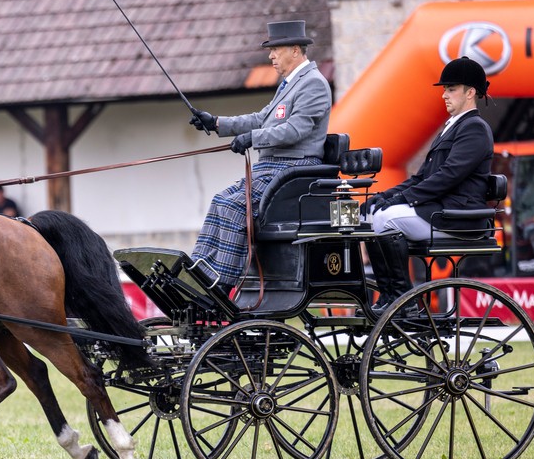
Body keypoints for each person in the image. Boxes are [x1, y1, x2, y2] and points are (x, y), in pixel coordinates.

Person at [187, 20, 332, 291]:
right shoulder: (290, 84)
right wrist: (217, 123)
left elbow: (295, 130)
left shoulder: (313, 84)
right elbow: (261, 119)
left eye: (276, 49)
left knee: (234, 208)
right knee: (220, 201)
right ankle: (198, 274)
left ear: (296, 50)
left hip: (294, 168)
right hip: (274, 168)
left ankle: (219, 284)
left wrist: (252, 139)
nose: (271, 56)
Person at [365, 56, 493, 313]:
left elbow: (449, 175)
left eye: (451, 89)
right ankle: (390, 295)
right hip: (440, 210)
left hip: (459, 216)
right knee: (370, 215)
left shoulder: (475, 129)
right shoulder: (450, 128)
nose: (445, 95)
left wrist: (402, 200)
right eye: (444, 89)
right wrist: (385, 195)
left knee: (386, 219)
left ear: (470, 93)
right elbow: (421, 177)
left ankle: (405, 299)